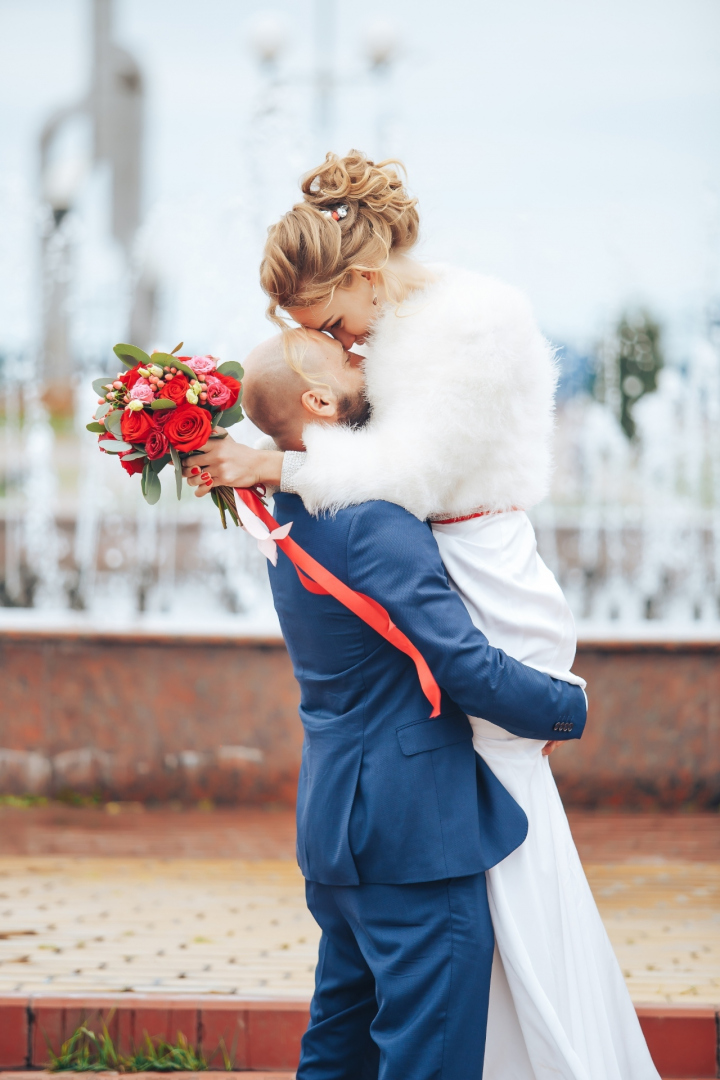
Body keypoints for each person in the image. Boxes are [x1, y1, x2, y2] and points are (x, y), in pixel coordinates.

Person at [184, 152, 660, 1079]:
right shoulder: (361, 515)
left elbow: (396, 469)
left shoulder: (471, 325)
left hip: (479, 576)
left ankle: (539, 1026)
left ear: (364, 278)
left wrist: (271, 459)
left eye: (330, 324)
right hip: (409, 792)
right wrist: (570, 707)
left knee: (374, 999)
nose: (342, 346)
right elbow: (379, 493)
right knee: (434, 982)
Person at [237, 330, 588, 1080]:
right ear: (320, 400)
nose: (363, 357)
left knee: (340, 1046)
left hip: (337, 825)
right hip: (412, 832)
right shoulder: (374, 521)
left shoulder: (288, 505)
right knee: (428, 1057)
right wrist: (565, 709)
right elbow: (463, 664)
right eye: (342, 358)